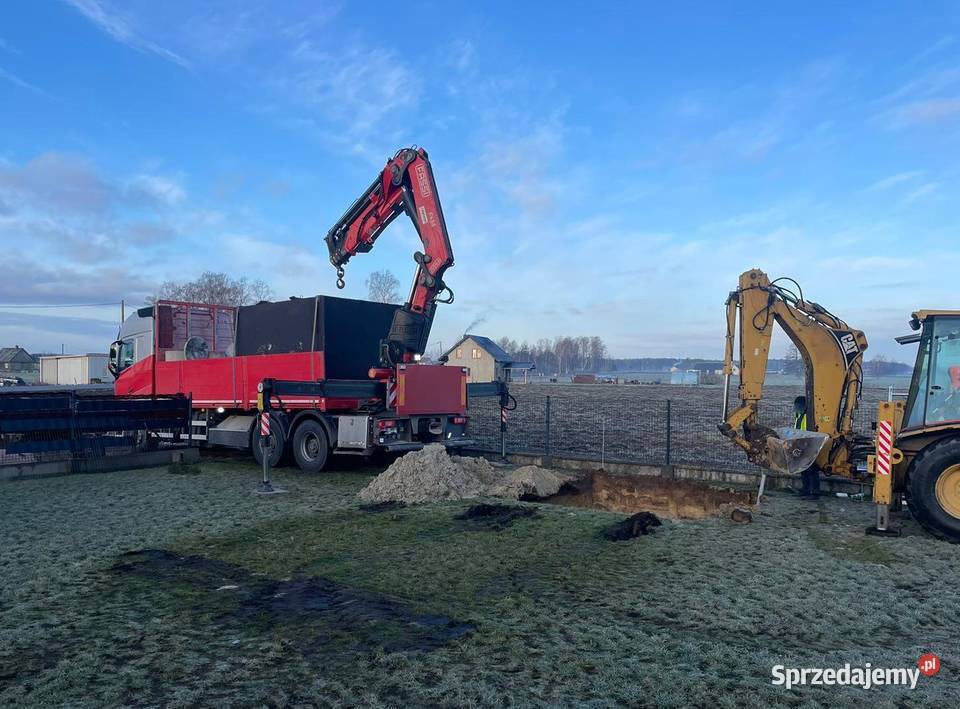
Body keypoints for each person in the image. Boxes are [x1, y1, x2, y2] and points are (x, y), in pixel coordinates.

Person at [794, 395, 820, 499]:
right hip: (800, 446)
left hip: (809, 447)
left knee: (811, 470)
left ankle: (814, 492)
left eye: (798, 406)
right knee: (803, 469)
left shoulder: (808, 417)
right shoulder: (799, 417)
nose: (796, 408)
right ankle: (805, 489)